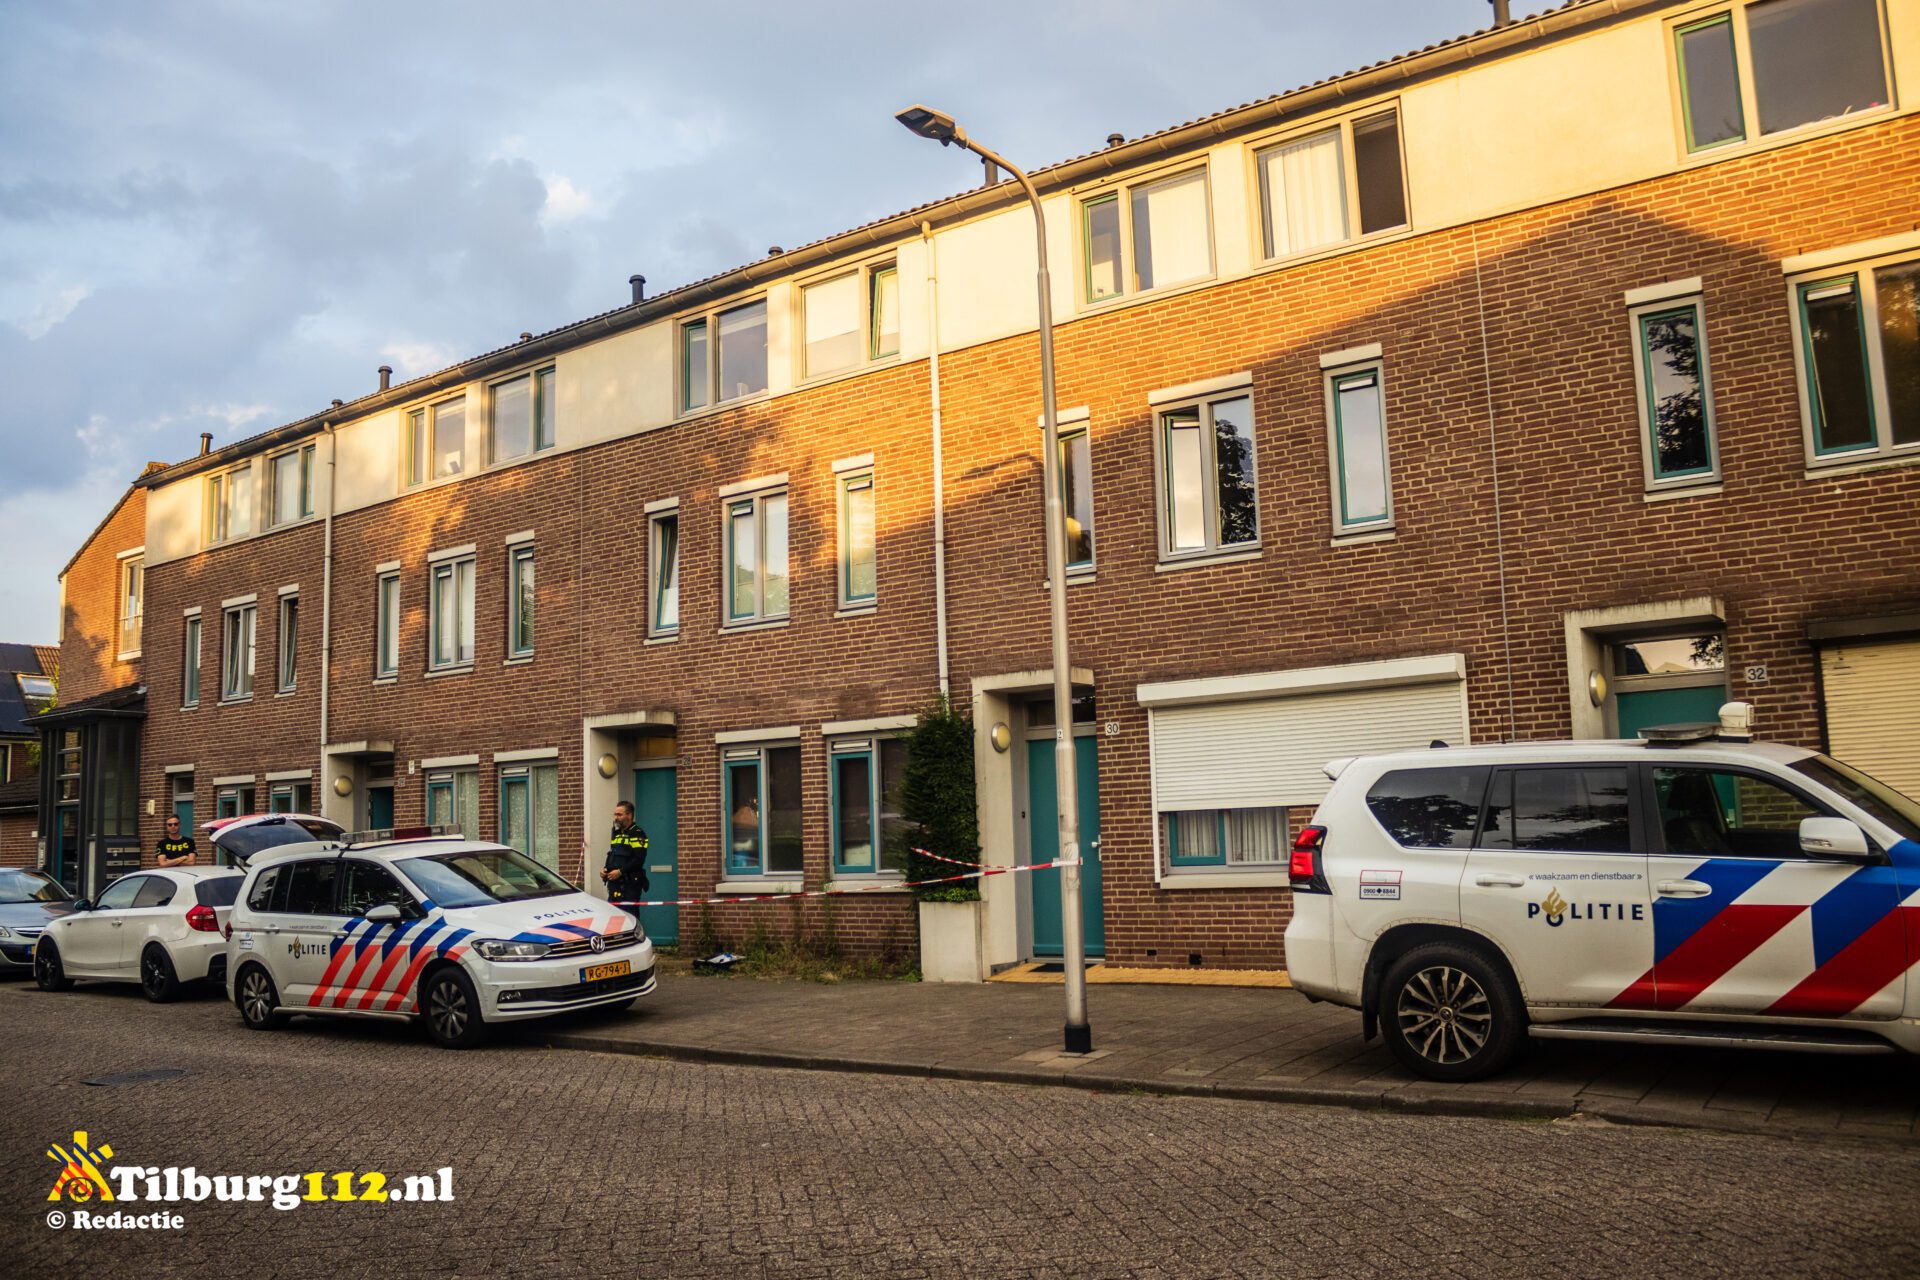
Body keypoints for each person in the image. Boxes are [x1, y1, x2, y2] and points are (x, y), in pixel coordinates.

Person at [598, 801, 650, 906]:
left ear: (629, 815)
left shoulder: (637, 833)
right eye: (615, 814)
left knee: (629, 916)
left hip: (629, 885)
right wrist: (605, 869)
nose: (616, 818)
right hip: (614, 885)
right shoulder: (616, 833)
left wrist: (620, 871)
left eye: (619, 815)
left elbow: (639, 859)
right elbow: (612, 854)